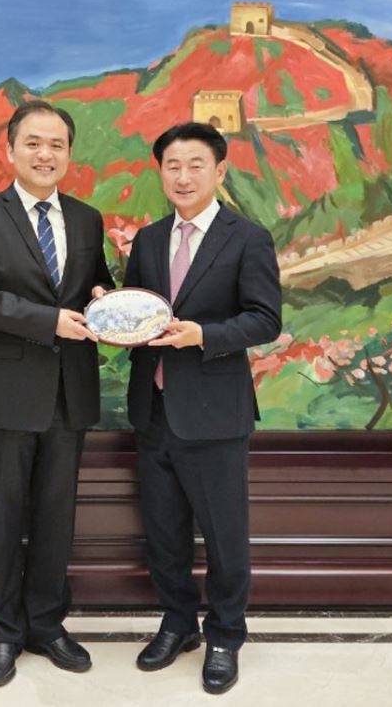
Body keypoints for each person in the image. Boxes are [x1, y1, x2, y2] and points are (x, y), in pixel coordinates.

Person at [0, 100, 113, 687]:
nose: (46, 154)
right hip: (10, 391)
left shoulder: (87, 219)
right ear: (11, 149)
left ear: (70, 153)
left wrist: (104, 298)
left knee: (55, 515)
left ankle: (46, 624)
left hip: (71, 392)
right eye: (34, 143)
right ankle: (4, 632)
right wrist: (49, 321)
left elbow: (97, 284)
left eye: (57, 145)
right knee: (5, 514)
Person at [122, 122, 282, 694]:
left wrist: (204, 336)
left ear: (219, 170)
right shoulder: (148, 239)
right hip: (153, 408)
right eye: (173, 165)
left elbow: (265, 319)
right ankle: (177, 623)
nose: (183, 176)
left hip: (215, 412)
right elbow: (138, 312)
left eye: (195, 165)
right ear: (161, 172)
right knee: (163, 531)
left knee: (223, 534)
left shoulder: (248, 238)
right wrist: (109, 312)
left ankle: (225, 636)